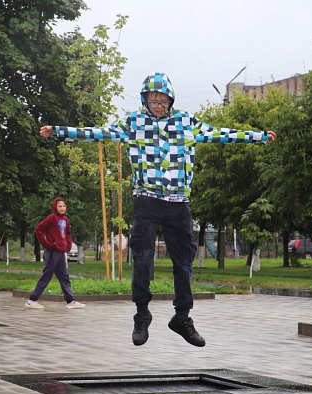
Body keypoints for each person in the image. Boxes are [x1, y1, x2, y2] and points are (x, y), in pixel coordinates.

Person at [39, 72, 275, 345]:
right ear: (145, 101)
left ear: (171, 100)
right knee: (142, 259)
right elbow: (99, 133)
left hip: (178, 203)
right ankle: (142, 315)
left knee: (184, 262)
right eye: (154, 102)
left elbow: (221, 133)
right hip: (146, 200)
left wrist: (258, 137)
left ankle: (182, 318)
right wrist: (60, 131)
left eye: (163, 102)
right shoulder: (133, 123)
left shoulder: (186, 122)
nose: (159, 107)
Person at [26, 197, 85, 310]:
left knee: (64, 277)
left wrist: (68, 245)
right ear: (55, 207)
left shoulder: (65, 220)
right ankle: (32, 300)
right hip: (52, 252)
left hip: (61, 252)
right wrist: (47, 244)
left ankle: (70, 301)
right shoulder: (52, 218)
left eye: (64, 206)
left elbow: (67, 234)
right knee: (47, 276)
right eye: (60, 206)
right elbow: (38, 229)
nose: (62, 208)